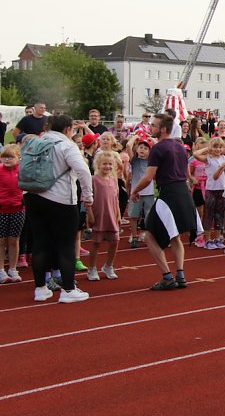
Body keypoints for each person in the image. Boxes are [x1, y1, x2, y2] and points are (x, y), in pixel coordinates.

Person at [130, 113, 201, 291]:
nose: (151, 128)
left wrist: (135, 191)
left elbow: (148, 177)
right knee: (175, 236)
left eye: (153, 125)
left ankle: (167, 277)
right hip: (183, 193)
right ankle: (180, 274)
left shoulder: (158, 148)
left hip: (168, 194)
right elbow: (185, 174)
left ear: (162, 129)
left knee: (149, 235)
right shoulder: (180, 147)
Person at [27, 114, 94, 303]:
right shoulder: (66, 145)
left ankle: (40, 288)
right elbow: (83, 170)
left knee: (40, 242)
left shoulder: (35, 142)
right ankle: (68, 289)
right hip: (60, 198)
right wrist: (87, 196)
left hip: (33, 196)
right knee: (65, 245)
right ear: (67, 130)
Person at [86, 151, 122, 281]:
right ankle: (91, 268)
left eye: (110, 164)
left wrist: (118, 214)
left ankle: (108, 265)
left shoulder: (113, 180)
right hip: (98, 215)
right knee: (96, 243)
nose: (108, 166)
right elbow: (88, 200)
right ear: (98, 165)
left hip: (111, 215)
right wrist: (89, 215)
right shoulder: (93, 180)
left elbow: (116, 198)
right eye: (105, 164)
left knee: (115, 241)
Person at [0, 144, 24, 283]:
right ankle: (1, 270)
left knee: (14, 240)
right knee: (1, 240)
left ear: (18, 158)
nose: (7, 160)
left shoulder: (22, 171)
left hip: (18, 209)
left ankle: (13, 269)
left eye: (10, 157)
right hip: (2, 209)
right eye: (4, 157)